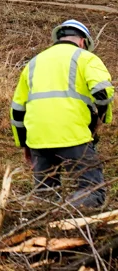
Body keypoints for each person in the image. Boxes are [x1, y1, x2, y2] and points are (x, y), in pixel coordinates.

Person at [11, 19, 112, 209]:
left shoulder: (33, 63)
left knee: (45, 196)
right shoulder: (86, 58)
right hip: (73, 135)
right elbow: (103, 93)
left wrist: (24, 143)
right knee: (92, 190)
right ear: (82, 42)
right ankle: (68, 214)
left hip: (38, 139)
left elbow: (17, 110)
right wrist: (101, 120)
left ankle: (45, 225)